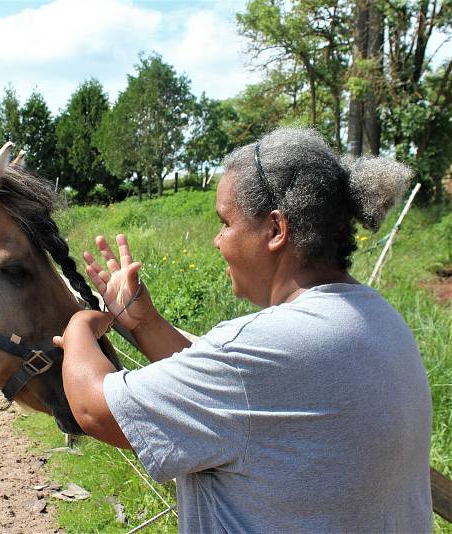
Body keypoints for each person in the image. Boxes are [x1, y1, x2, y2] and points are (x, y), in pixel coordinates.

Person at [52, 127, 433, 533]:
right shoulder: (378, 319)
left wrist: (77, 324)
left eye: (225, 222)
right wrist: (145, 323)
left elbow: (96, 409)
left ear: (275, 230)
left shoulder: (265, 348)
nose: (217, 241)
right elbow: (242, 399)